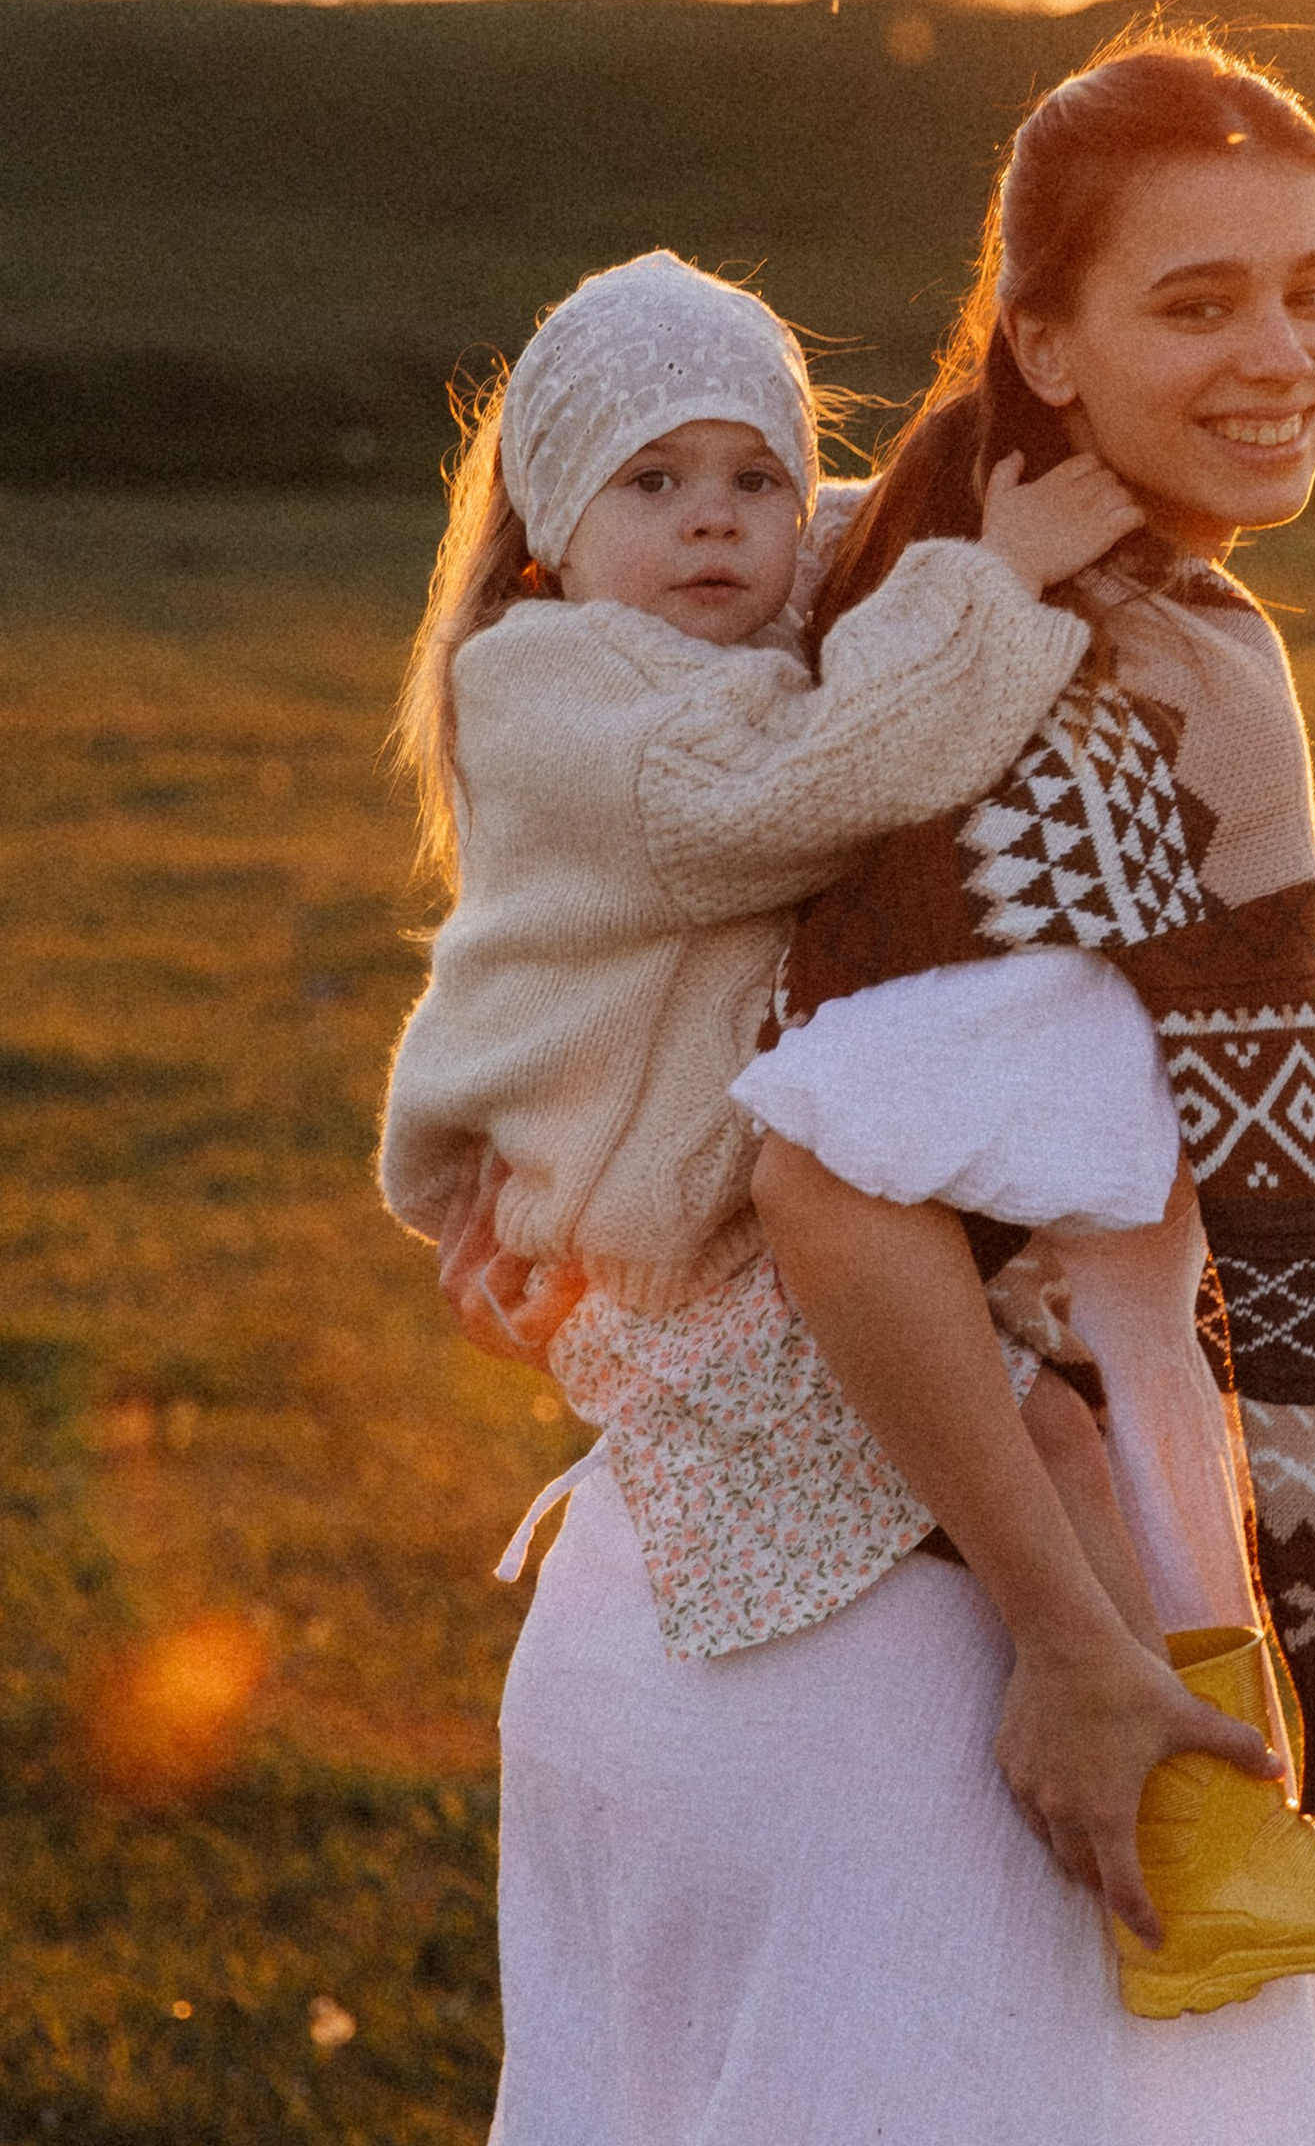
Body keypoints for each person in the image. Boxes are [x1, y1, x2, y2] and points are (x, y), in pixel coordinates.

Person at [420, 43, 1315, 2146]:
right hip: (933, 1670)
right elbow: (831, 1178)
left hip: (700, 1603)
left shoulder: (876, 582)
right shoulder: (1046, 687)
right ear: (1039, 341)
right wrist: (1086, 1660)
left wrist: (553, 1185)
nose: (1279, 354)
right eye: (1194, 304)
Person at [380, 246, 1172, 1651]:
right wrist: (999, 575)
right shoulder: (553, 684)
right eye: (655, 481)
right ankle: (1172, 1773)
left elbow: (847, 549)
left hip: (731, 1221)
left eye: (756, 481)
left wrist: (932, 507)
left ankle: (1213, 1776)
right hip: (678, 1259)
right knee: (1040, 1444)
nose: (714, 525)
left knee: (1072, 1441)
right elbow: (811, 781)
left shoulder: (691, 629)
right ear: (552, 522)